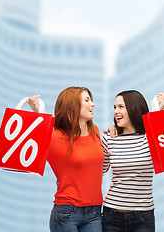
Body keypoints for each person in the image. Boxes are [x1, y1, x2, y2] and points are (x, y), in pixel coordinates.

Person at [27, 87, 104, 232]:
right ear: (72, 105)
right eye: (87, 100)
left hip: (95, 212)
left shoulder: (96, 131)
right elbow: (31, 141)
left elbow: (100, 167)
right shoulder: (54, 138)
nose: (93, 104)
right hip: (67, 213)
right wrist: (37, 113)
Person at [102, 91, 164, 232]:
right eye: (115, 107)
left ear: (134, 108)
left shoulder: (151, 138)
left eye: (121, 107)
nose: (116, 111)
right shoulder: (110, 138)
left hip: (143, 217)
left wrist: (160, 110)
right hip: (111, 215)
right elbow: (97, 170)